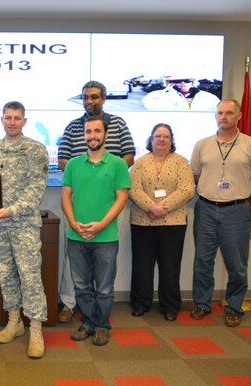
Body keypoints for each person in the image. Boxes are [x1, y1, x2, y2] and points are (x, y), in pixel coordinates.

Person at [57, 80, 135, 323]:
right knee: (76, 267)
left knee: (103, 272)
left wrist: (106, 174)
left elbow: (128, 156)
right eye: (86, 97)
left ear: (103, 99)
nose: (90, 101)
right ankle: (70, 304)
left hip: (109, 207)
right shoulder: (72, 127)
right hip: (78, 210)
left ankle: (100, 321)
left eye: (95, 97)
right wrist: (84, 173)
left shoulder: (118, 124)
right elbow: (63, 161)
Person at [190, 99, 251, 327]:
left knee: (237, 263)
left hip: (237, 212)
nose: (223, 117)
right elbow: (195, 175)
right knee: (203, 261)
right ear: (215, 116)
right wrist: (212, 192)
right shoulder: (202, 144)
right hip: (205, 208)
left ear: (239, 116)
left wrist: (240, 196)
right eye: (220, 113)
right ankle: (202, 304)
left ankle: (234, 307)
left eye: (229, 113)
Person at [0, 101, 49, 359]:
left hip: (24, 225)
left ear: (24, 120)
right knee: (5, 273)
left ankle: (35, 328)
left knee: (30, 275)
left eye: (17, 118)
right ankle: (14, 322)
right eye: (8, 117)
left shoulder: (34, 149)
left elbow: (36, 189)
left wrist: (11, 210)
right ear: (2, 120)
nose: (12, 121)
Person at [62, 116, 131, 346]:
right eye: (88, 132)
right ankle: (88, 323)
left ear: (106, 135)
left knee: (103, 287)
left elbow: (122, 199)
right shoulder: (72, 164)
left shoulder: (118, 164)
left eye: (97, 131)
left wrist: (101, 224)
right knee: (81, 286)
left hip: (106, 237)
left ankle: (102, 326)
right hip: (76, 235)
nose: (92, 136)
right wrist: (73, 223)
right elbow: (66, 197)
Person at [129, 123, 195, 321]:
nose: (162, 139)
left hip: (172, 223)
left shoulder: (182, 162)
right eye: (158, 136)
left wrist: (161, 208)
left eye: (166, 136)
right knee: (142, 265)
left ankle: (170, 306)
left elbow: (187, 190)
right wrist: (151, 207)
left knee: (170, 266)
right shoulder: (140, 163)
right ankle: (141, 303)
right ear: (151, 139)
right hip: (142, 222)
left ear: (172, 140)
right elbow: (132, 189)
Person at [142, 78, 220, 111]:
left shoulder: (209, 97)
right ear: (169, 82)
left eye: (187, 80)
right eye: (178, 80)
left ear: (193, 82)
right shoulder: (156, 96)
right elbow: (148, 103)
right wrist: (168, 94)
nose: (183, 83)